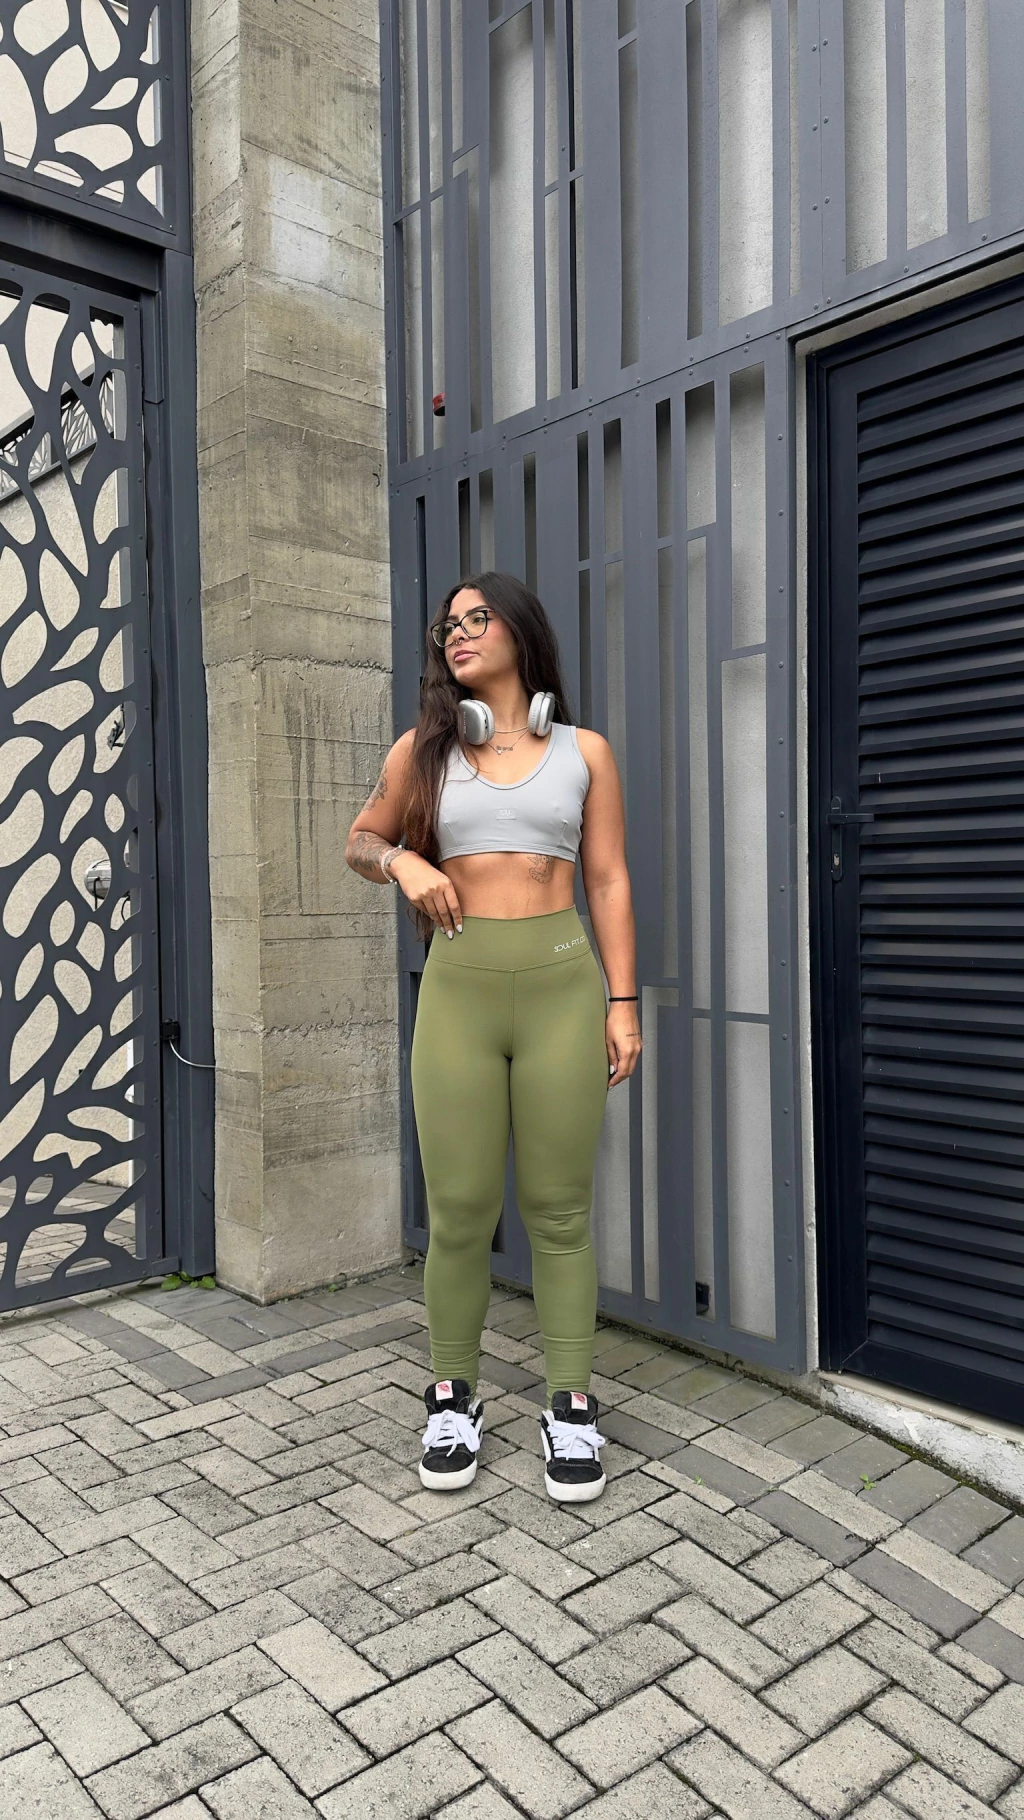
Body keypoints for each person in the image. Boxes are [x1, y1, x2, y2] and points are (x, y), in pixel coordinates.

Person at [346, 571, 641, 1503]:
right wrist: (404, 863)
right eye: (449, 626)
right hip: (459, 995)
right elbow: (359, 839)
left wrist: (622, 1002)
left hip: (562, 990)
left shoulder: (585, 752)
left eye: (478, 618)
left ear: (521, 630)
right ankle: (451, 1397)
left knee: (559, 1210)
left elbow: (608, 880)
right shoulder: (424, 750)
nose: (460, 634)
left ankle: (571, 1405)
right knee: (461, 1210)